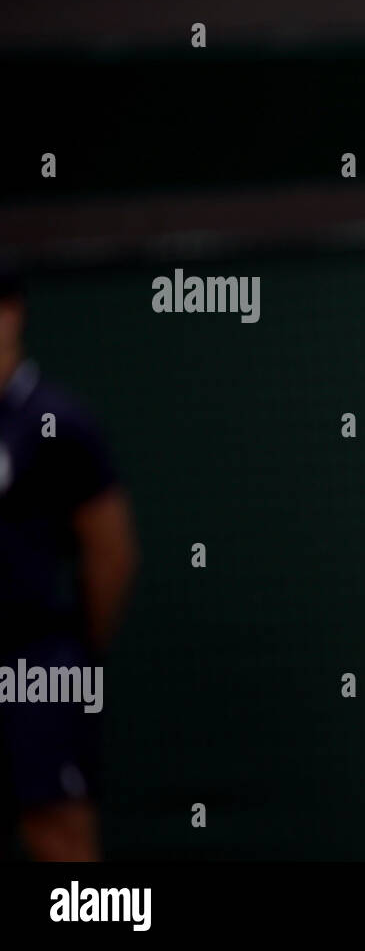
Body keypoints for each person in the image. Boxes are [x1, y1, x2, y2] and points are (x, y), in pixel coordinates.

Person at [0, 262, 139, 860]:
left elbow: (111, 552)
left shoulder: (56, 422)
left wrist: (76, 651)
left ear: (12, 313)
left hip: (38, 658)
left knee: (57, 827)